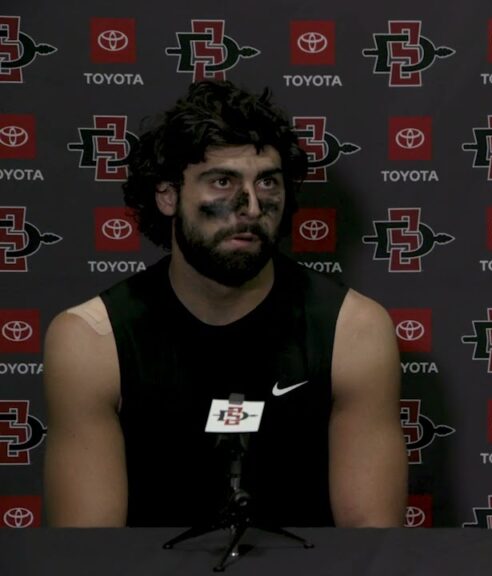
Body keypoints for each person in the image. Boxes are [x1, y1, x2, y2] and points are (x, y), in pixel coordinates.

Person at [43, 80, 407, 528]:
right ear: (168, 195)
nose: (251, 206)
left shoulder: (353, 329)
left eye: (268, 182)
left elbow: (370, 545)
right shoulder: (91, 338)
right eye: (222, 181)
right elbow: (88, 552)